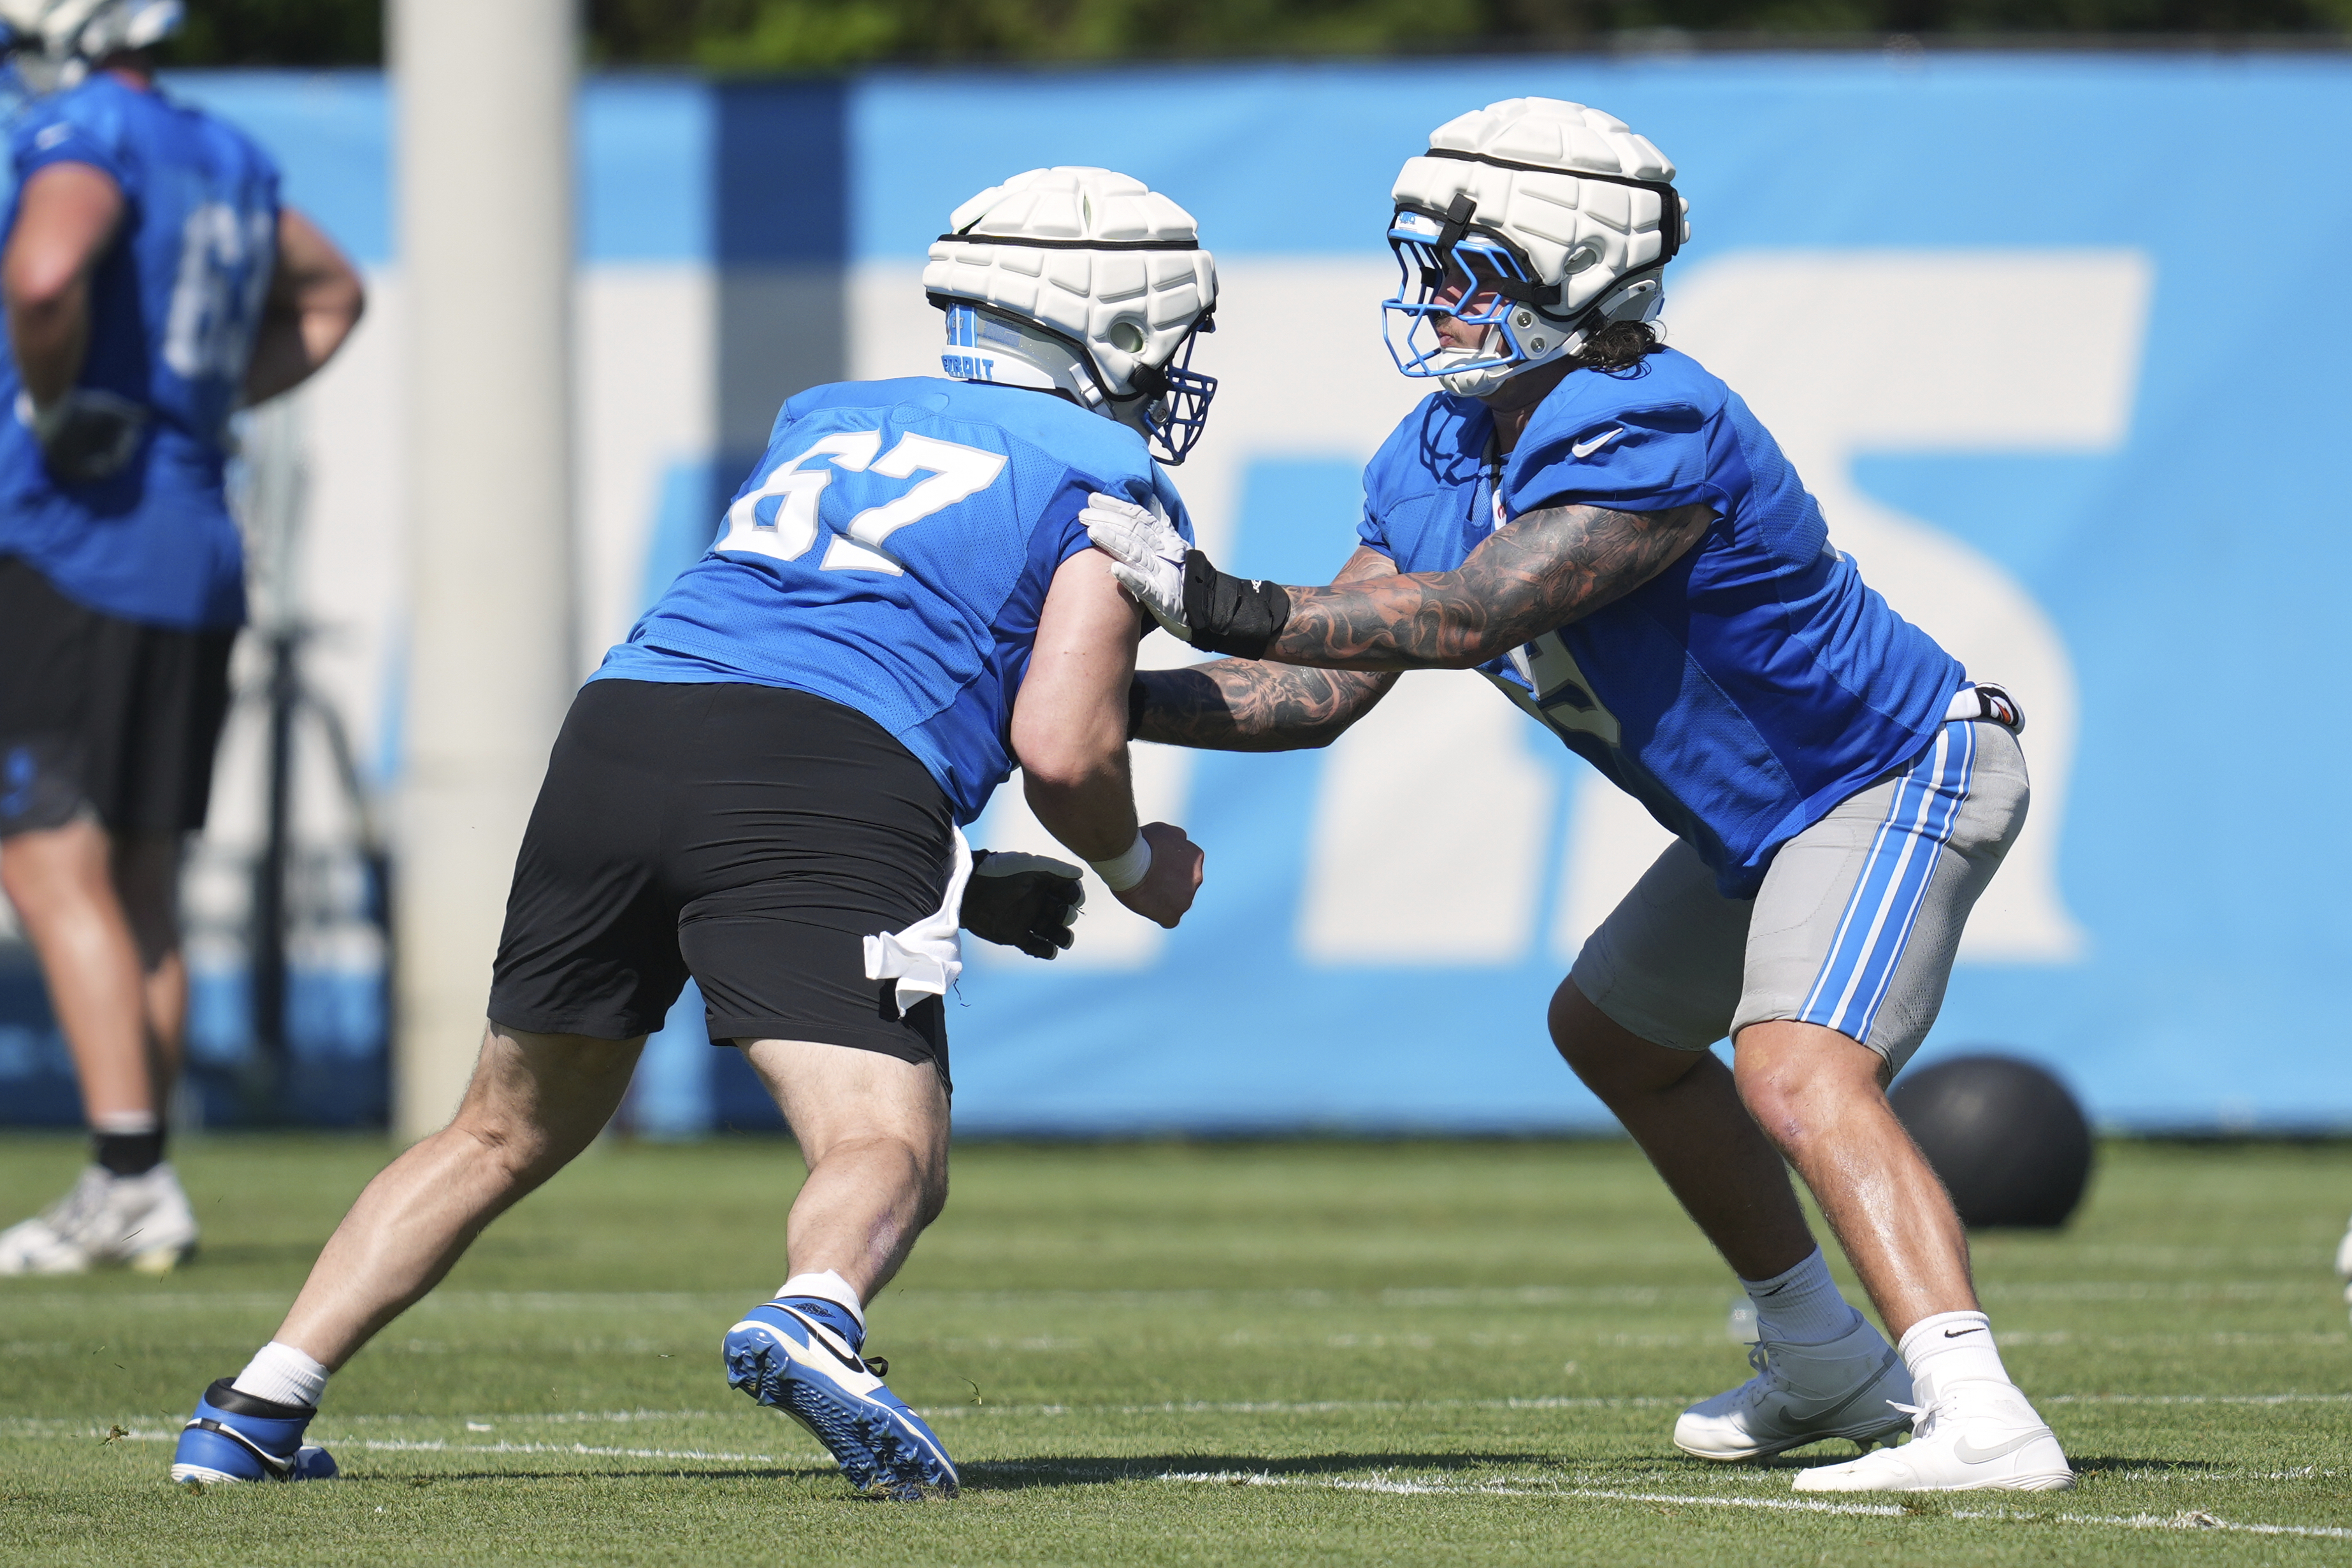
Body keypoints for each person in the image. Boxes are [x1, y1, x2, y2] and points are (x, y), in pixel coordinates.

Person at [166, 166, 1213, 1501]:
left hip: (626, 728)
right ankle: (818, 1309)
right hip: (827, 770)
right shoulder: (1101, 468)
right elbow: (1064, 744)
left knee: (499, 1128)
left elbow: (795, 658)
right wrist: (1133, 863)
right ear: (1112, 323)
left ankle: (257, 1403)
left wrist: (944, 857)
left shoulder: (830, 415)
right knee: (881, 1136)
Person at [1093, 97, 2071, 1494]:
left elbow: (1472, 615)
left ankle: (1978, 1413)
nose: (1432, 302)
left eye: (1466, 272)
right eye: (1424, 266)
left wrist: (1214, 600)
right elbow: (1319, 691)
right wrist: (1093, 705)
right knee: (1612, 1033)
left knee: (1796, 1066)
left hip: (1889, 771)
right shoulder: (1431, 449)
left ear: (1572, 274)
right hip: (1765, 822)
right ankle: (1819, 1354)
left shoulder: (1650, 417)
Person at [0, 0, 363, 1275]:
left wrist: (59, 408)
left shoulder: (80, 133)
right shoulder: (218, 147)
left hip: (71, 537)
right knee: (140, 876)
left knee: (47, 858)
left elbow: (45, 273)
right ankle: (141, 1162)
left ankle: (129, 1175)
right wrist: (189, 407)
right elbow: (331, 295)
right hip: (191, 539)